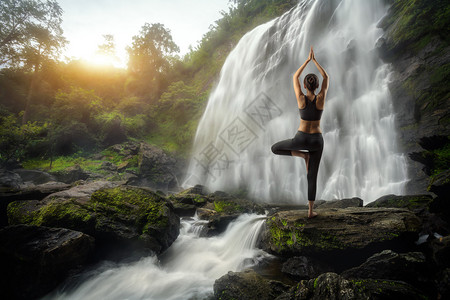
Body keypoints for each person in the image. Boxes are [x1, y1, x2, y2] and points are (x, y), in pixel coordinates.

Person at [271, 46, 329, 218]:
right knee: (312, 176)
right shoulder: (321, 98)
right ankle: (310, 211)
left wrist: (307, 61)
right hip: (317, 140)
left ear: (304, 85)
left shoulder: (301, 98)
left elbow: (295, 76)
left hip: (301, 139)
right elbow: (326, 77)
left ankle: (303, 156)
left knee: (275, 148)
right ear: (317, 85)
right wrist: (316, 61)